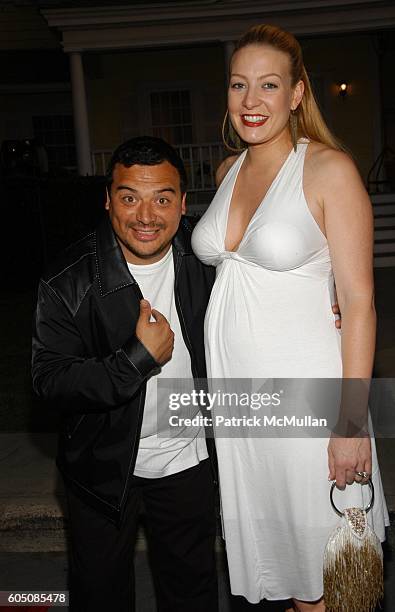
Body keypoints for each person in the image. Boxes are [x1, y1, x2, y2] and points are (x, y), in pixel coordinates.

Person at [191, 24, 389, 611]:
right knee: (291, 580)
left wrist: (351, 422)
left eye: (269, 85)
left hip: (312, 404)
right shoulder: (227, 173)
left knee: (329, 582)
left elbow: (358, 301)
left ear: (298, 94)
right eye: (238, 85)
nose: (251, 101)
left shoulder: (329, 170)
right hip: (244, 411)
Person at [32, 136, 218, 612]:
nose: (146, 216)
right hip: (102, 468)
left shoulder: (210, 263)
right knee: (101, 594)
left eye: (162, 198)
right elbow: (49, 379)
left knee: (192, 590)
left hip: (187, 460)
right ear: (108, 199)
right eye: (130, 197)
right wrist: (135, 360)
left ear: (182, 203)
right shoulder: (68, 278)